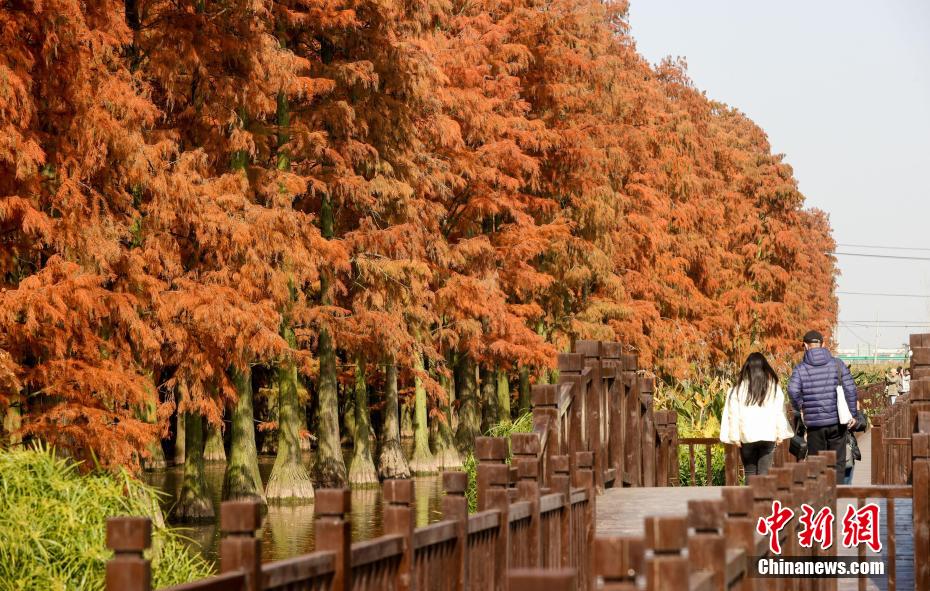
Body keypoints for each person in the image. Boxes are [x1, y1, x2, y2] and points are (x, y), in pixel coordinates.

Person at [788, 330, 858, 481]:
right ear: (823, 344)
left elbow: (792, 390)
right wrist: (852, 414)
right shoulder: (837, 364)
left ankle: (819, 497)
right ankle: (837, 495)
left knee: (816, 464)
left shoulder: (800, 369)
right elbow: (850, 389)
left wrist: (801, 406)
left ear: (805, 346)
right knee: (838, 462)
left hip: (815, 424)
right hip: (837, 421)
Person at [719, 352, 794, 476]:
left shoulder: (737, 390)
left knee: (750, 472)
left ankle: (750, 496)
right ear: (765, 368)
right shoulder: (774, 389)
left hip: (747, 437)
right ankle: (763, 496)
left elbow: (733, 415)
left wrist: (735, 437)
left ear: (747, 368)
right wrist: (780, 434)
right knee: (765, 473)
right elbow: (779, 413)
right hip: (768, 435)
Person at [843, 401, 868, 484]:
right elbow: (862, 424)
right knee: (846, 484)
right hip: (845, 449)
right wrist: (858, 410)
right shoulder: (845, 399)